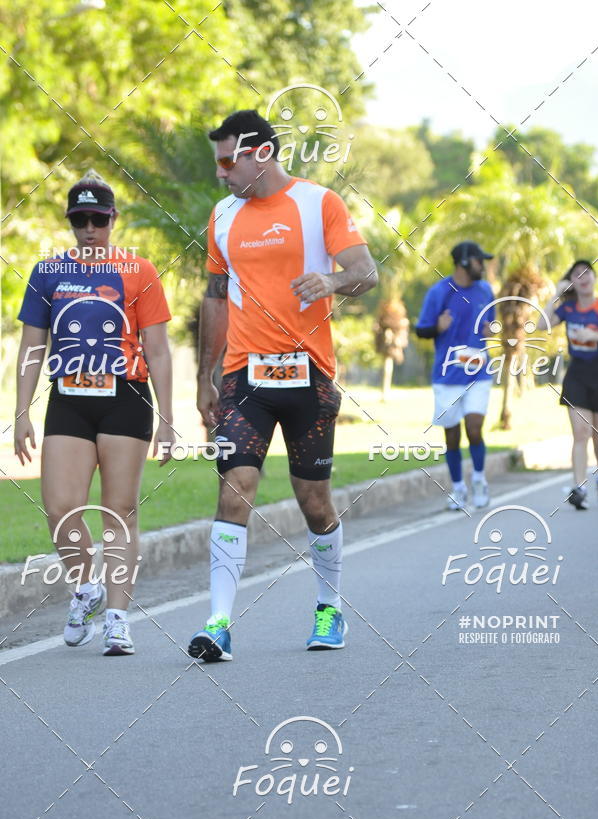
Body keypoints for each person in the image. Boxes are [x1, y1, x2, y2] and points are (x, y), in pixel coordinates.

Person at [188, 109, 378, 662]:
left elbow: (367, 271)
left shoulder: (319, 204)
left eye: (229, 161)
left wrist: (332, 280)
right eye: (218, 163)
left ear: (261, 154)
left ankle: (329, 605)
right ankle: (218, 622)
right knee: (234, 488)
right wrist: (207, 377)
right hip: (245, 376)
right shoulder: (222, 215)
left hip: (310, 376)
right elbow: (217, 297)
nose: (222, 173)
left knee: (314, 501)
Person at [14, 169, 174, 655]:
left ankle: (119, 619)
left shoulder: (139, 272)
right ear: (69, 221)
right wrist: (21, 411)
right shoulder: (47, 272)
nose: (89, 229)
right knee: (61, 508)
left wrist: (167, 418)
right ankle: (87, 588)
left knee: (119, 511)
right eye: (80, 219)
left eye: (98, 220)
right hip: (68, 398)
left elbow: (160, 350)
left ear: (113, 220)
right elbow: (31, 346)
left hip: (125, 396)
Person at [415, 240, 495, 511]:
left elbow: (490, 322)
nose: (482, 266)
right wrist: (437, 326)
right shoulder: (439, 292)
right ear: (463, 262)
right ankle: (458, 488)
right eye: (478, 261)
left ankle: (480, 481)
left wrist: (490, 329)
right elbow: (422, 329)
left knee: (474, 427)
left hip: (479, 372)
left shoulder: (485, 290)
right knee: (451, 435)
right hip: (447, 375)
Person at [540, 259, 598, 510]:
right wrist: (556, 293)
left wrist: (595, 336)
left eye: (588, 272)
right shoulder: (568, 308)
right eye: (577, 274)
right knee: (580, 432)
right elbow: (542, 324)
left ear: (595, 278)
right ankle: (579, 487)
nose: (583, 277)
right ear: (572, 281)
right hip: (577, 376)